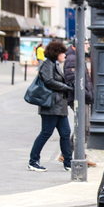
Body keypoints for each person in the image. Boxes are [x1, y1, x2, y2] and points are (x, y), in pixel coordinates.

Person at [28, 41, 74, 172]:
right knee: (46, 133)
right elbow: (49, 81)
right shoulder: (47, 65)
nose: (64, 55)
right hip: (51, 106)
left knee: (65, 133)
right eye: (62, 53)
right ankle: (33, 161)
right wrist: (66, 87)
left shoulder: (54, 65)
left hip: (59, 106)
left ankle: (68, 162)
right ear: (56, 53)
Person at [63, 38, 96, 167]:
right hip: (80, 98)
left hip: (83, 97)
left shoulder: (77, 56)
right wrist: (84, 94)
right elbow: (72, 80)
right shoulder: (72, 58)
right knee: (83, 128)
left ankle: (72, 153)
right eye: (87, 43)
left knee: (84, 128)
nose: (88, 46)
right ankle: (76, 154)